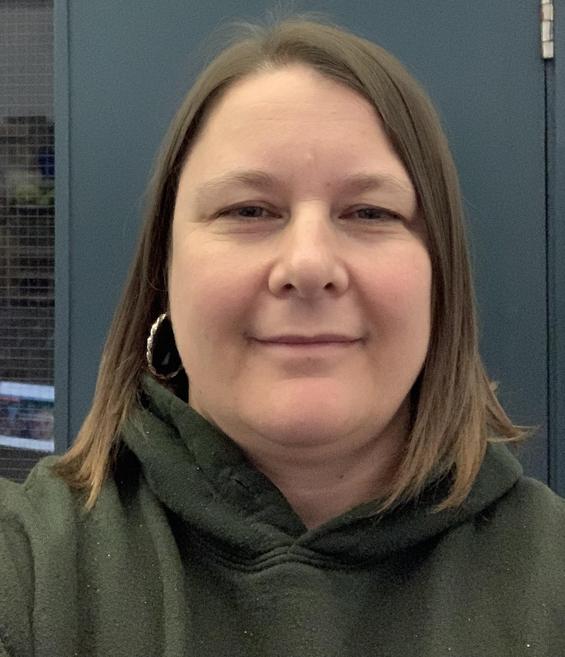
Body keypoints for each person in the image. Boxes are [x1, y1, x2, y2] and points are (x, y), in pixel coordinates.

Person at [1, 15, 564, 657]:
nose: (309, 265)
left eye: (370, 212)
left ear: (441, 282)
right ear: (165, 274)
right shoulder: (30, 568)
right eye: (248, 210)